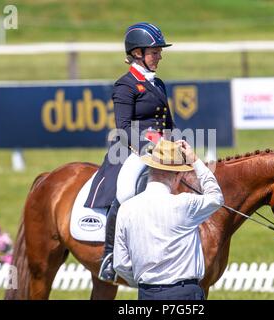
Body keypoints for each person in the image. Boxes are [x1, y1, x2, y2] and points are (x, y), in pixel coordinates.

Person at [84, 22, 175, 282]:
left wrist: (178, 143)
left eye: (159, 51)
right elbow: (122, 127)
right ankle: (110, 257)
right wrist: (149, 149)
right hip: (131, 150)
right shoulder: (125, 85)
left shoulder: (158, 83)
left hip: (161, 149)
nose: (159, 56)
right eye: (154, 51)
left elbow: (168, 122)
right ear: (137, 53)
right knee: (124, 191)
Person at [113, 140, 224, 300]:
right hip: (184, 293)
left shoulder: (126, 208)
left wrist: (147, 282)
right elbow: (216, 197)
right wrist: (195, 160)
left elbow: (120, 264)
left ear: (150, 169)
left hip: (146, 293)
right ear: (178, 176)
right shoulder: (186, 203)